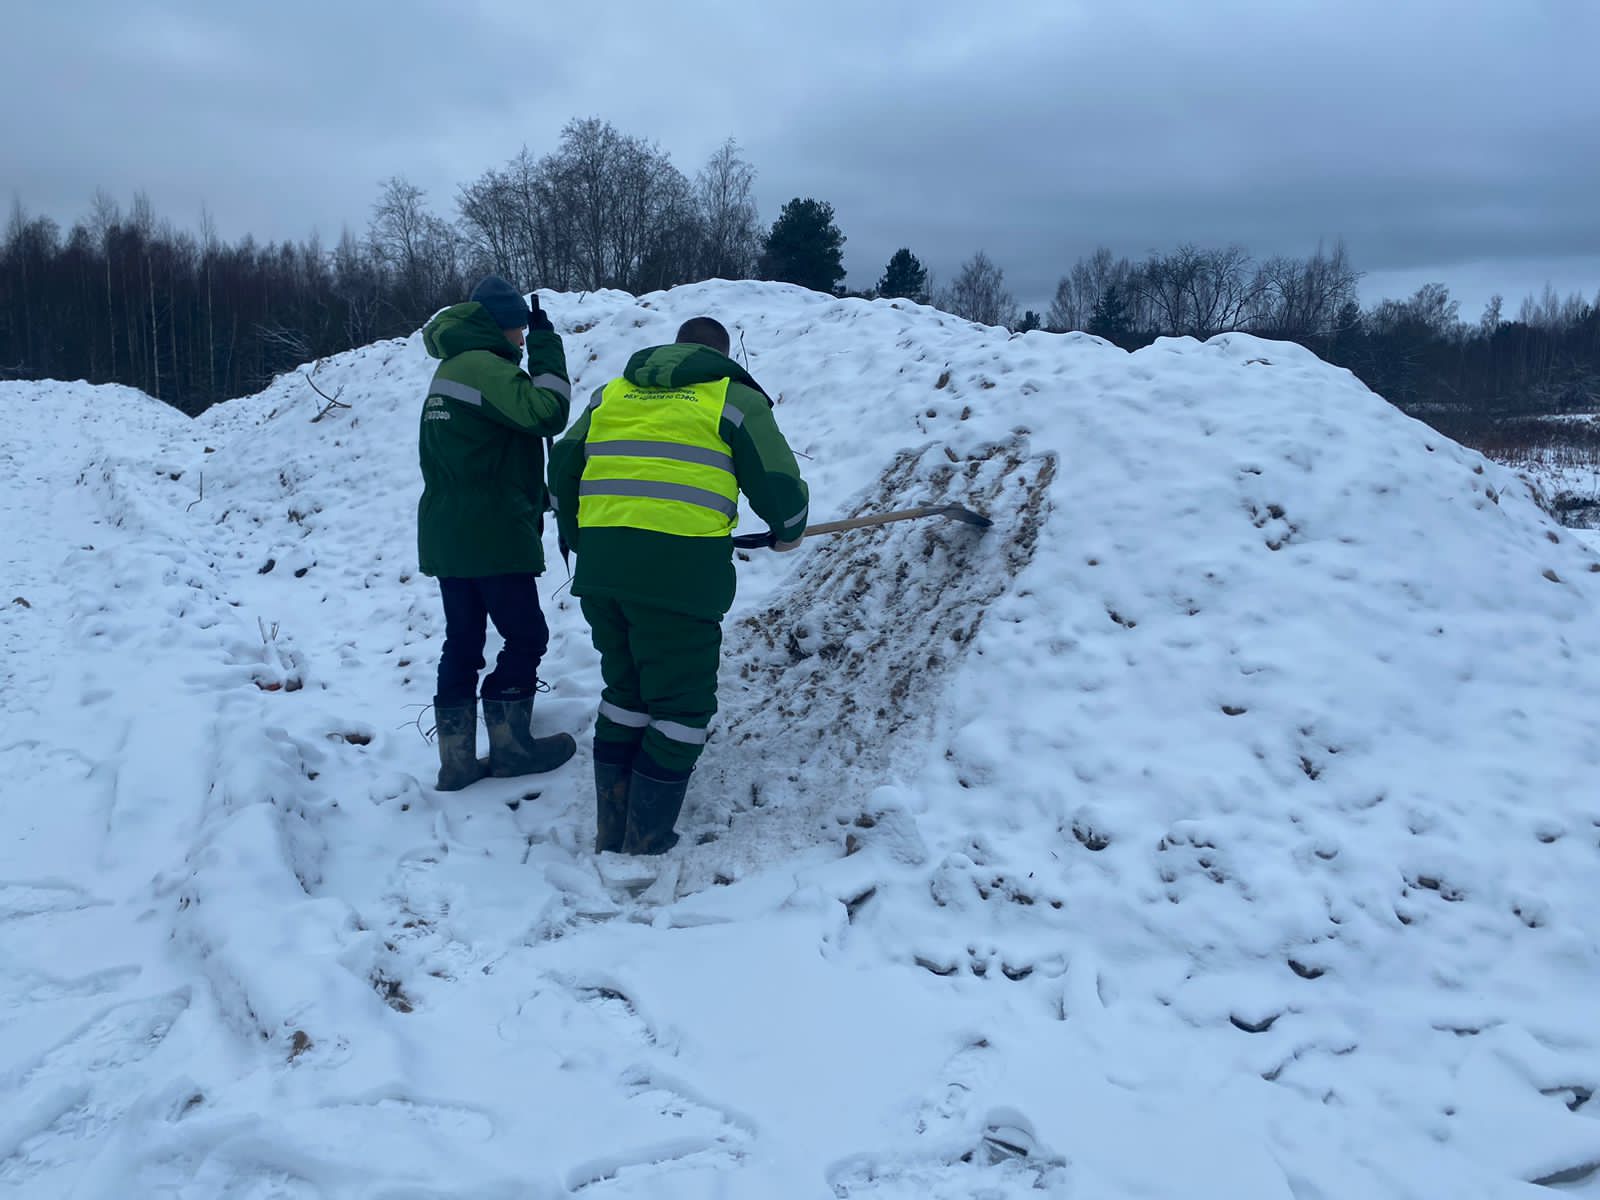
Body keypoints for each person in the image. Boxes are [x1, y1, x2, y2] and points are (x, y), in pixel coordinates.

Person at [548, 316, 809, 854]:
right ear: (720, 354)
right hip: (679, 577)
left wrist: (581, 537)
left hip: (602, 570)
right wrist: (789, 531)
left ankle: (611, 827)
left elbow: (562, 467)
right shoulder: (732, 398)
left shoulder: (610, 394)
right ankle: (645, 839)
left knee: (626, 693)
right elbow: (780, 483)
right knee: (681, 707)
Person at [417, 275, 577, 791]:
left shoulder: (453, 366)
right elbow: (546, 414)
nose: (523, 339)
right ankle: (511, 748)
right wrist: (550, 351)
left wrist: (540, 496)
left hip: (452, 531)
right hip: (489, 534)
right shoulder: (483, 367)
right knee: (526, 635)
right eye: (520, 331)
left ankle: (457, 762)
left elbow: (484, 451)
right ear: (502, 327)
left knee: (462, 641)